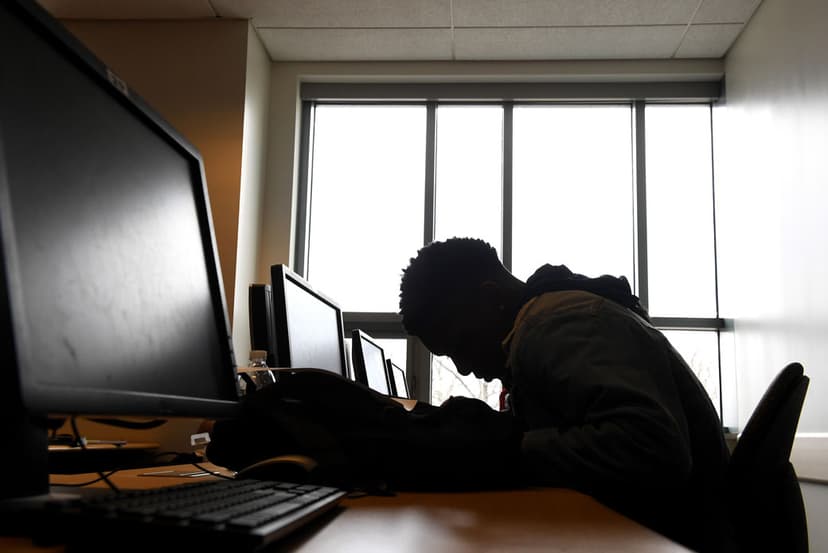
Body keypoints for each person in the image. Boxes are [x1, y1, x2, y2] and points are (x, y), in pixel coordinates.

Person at [399, 237, 732, 553]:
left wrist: (505, 447)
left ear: (490, 298)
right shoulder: (554, 319)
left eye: (462, 344)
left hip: (676, 537)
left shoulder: (554, 325)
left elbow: (655, 446)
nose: (464, 367)